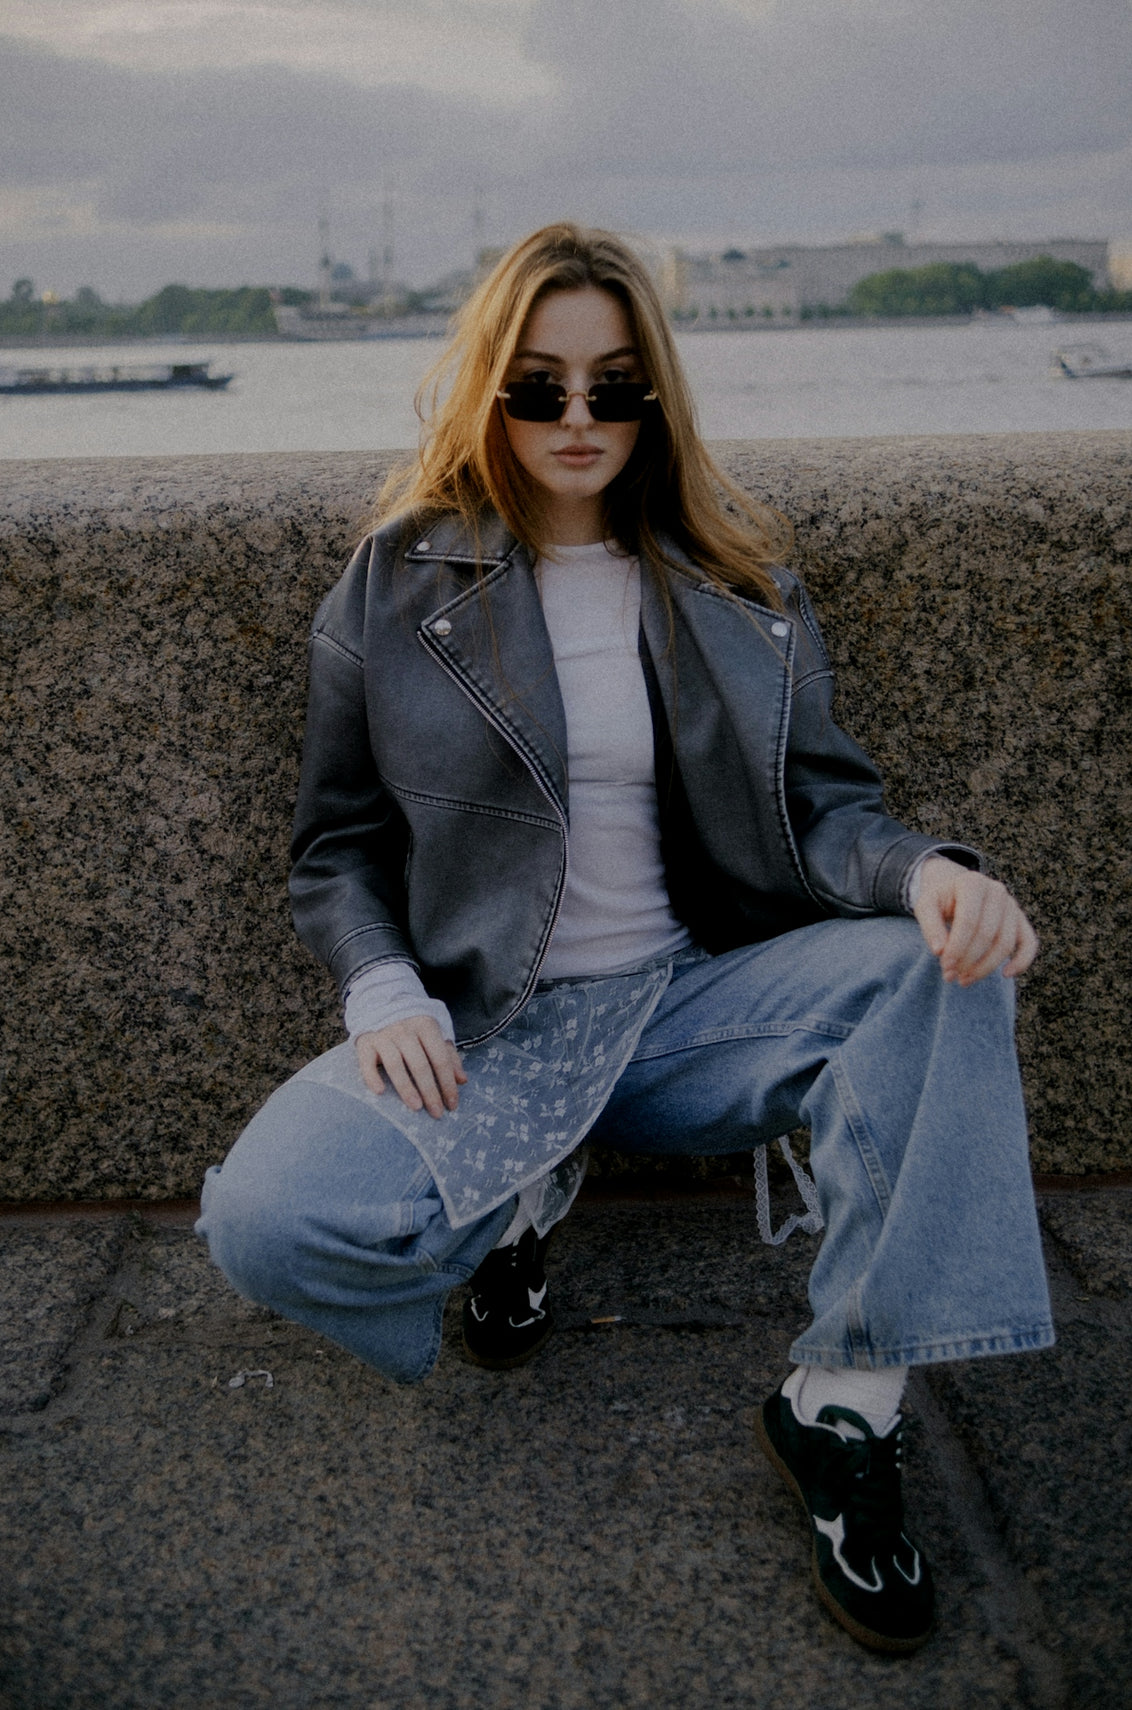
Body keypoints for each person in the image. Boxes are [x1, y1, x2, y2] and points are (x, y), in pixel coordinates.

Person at [197, 222, 1053, 1655]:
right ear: (490, 390)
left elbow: (830, 806)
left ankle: (845, 1405)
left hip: (697, 998)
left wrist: (922, 879)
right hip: (494, 1021)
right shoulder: (397, 587)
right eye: (540, 388)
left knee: (942, 968)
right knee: (261, 1220)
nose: (578, 419)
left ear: (656, 395)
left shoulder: (737, 586)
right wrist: (382, 982)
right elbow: (336, 845)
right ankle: (516, 1203)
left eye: (614, 387)